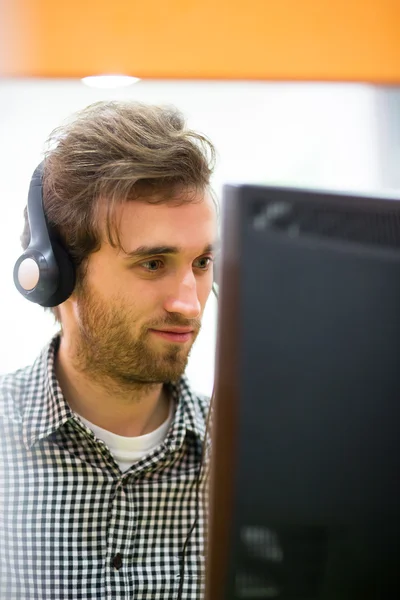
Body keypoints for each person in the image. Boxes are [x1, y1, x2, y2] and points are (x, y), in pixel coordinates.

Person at [0, 100, 218, 600]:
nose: (190, 304)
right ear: (57, 276)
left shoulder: (251, 463)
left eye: (202, 262)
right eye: (152, 264)